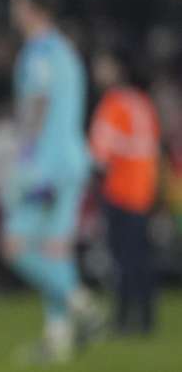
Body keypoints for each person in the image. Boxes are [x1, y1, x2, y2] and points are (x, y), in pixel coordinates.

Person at [1, 0, 101, 364]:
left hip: (44, 168)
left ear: (30, 8)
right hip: (74, 162)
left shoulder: (38, 52)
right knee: (54, 251)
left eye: (16, 2)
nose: (13, 10)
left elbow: (38, 103)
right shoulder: (67, 51)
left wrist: (24, 155)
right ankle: (57, 340)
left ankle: (83, 305)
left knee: (13, 247)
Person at [88, 51, 160, 335]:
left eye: (103, 66)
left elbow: (99, 154)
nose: (98, 72)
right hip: (143, 191)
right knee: (140, 256)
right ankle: (145, 318)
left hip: (119, 191)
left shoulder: (113, 105)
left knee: (122, 258)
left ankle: (122, 319)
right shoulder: (143, 103)